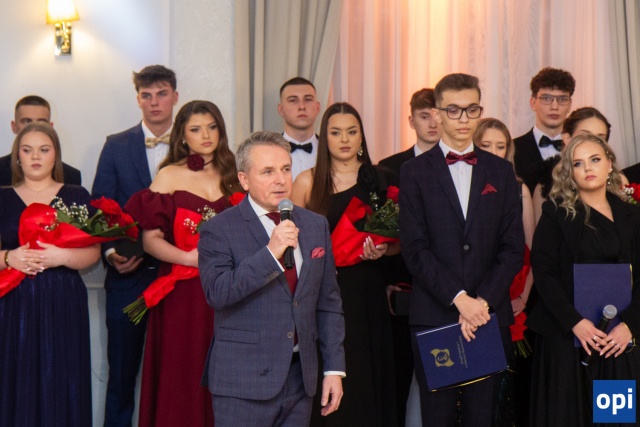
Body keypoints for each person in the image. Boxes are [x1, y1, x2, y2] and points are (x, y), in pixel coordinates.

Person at [399, 73, 524, 426]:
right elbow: (414, 249)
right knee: (436, 418)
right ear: (437, 113)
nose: (463, 118)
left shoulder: (501, 171)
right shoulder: (413, 172)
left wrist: (480, 303)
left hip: (487, 315)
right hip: (435, 314)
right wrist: (460, 300)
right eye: (453, 110)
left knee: (481, 418)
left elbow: (513, 247)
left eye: (471, 109)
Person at [198, 131, 345, 426]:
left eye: (285, 169)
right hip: (243, 383)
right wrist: (270, 253)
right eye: (267, 172)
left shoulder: (315, 225)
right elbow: (218, 293)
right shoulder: (220, 228)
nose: (280, 180)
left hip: (301, 378)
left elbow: (328, 303)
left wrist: (333, 369)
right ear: (244, 180)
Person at [125, 100, 242, 426]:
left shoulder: (236, 173)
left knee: (227, 371)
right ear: (182, 136)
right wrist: (190, 259)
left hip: (229, 290)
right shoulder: (169, 175)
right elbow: (150, 241)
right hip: (182, 291)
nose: (206, 135)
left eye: (212, 127)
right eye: (196, 129)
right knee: (183, 371)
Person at [292, 102, 400, 426]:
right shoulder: (307, 181)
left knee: (367, 373)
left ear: (361, 136)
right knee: (330, 375)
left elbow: (400, 243)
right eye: (336, 132)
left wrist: (383, 250)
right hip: (323, 294)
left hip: (368, 291)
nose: (344, 140)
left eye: (351, 132)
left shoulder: (381, 179)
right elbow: (292, 245)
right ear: (324, 137)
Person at [527, 133, 640, 426]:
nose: (588, 168)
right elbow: (544, 272)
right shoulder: (555, 213)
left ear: (609, 164)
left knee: (616, 419)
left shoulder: (632, 215)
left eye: (595, 159)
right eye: (578, 163)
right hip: (566, 339)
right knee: (568, 417)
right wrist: (575, 322)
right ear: (570, 172)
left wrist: (630, 325)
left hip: (618, 343)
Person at [92, 64, 179, 427]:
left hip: (178, 275)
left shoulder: (192, 142)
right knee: (122, 374)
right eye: (146, 95)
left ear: (175, 96)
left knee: (177, 373)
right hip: (127, 278)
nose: (154, 102)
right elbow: (100, 206)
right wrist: (111, 253)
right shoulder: (116, 145)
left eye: (161, 94)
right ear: (138, 100)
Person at [0, 123, 100, 426]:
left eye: (44, 150)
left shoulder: (77, 195)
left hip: (63, 298)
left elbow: (93, 254)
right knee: (17, 376)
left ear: (55, 155)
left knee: (63, 375)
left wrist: (61, 257)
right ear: (17, 157)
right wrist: (9, 257)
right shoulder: (2, 198)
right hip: (15, 302)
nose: (35, 157)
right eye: (27, 150)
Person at [379, 87, 441, 427]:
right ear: (411, 120)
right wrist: (389, 283)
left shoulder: (462, 164)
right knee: (401, 373)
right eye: (424, 116)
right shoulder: (389, 168)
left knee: (445, 375)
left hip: (448, 288)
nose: (433, 123)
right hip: (403, 288)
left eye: (437, 115)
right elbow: (383, 230)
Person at [473, 118, 536, 425]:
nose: (494, 152)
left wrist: (523, 296)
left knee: (500, 392)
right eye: (486, 145)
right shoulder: (459, 184)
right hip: (466, 303)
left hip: (506, 303)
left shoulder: (519, 188)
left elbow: (532, 252)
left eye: (501, 146)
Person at [531, 107, 619, 224]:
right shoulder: (545, 186)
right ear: (567, 138)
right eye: (584, 135)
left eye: (599, 139)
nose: (590, 142)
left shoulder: (619, 182)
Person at [514, 67, 576, 194]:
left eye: (562, 99)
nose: (554, 107)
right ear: (533, 103)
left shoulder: (579, 148)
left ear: (570, 105)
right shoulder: (513, 148)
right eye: (546, 98)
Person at [0, 95, 81, 186]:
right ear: (14, 126)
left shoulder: (71, 176)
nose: (34, 127)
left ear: (50, 127)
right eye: (26, 121)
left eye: (41, 122)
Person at [278, 77, 321, 180]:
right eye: (293, 100)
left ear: (318, 107)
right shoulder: (266, 152)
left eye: (308, 99)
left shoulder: (331, 151)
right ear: (281, 109)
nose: (302, 106)